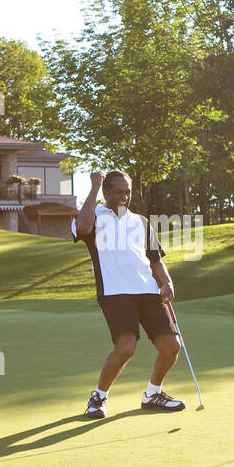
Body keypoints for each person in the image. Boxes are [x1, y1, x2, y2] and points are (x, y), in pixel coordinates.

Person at [72, 169, 185, 418]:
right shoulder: (93, 216)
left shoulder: (141, 222)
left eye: (127, 192)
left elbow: (155, 261)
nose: (123, 196)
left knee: (171, 345)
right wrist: (93, 187)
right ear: (106, 192)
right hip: (115, 293)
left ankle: (153, 394)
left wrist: (166, 282)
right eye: (117, 192)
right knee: (126, 347)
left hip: (148, 291)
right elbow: (81, 227)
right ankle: (98, 397)